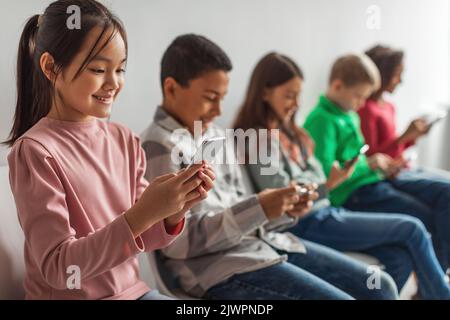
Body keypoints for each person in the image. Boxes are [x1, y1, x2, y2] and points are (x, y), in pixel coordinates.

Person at [141, 34, 399, 300]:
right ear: (171, 89)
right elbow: (179, 243)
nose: (219, 110)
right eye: (210, 97)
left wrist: (282, 209)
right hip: (219, 270)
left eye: (223, 98)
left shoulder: (215, 135)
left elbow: (242, 207)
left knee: (382, 286)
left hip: (262, 245)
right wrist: (261, 208)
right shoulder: (161, 146)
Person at [4, 0, 214, 300]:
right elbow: (58, 267)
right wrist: (143, 213)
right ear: (51, 68)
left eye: (120, 69)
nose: (113, 82)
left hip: (134, 292)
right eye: (99, 69)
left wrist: (174, 209)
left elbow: (144, 234)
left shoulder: (124, 139)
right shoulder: (36, 151)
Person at [233, 52, 450, 299]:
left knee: (398, 256)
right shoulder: (258, 140)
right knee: (412, 227)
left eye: (298, 96)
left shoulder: (289, 133)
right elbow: (286, 193)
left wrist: (319, 182)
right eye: (289, 96)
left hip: (326, 211)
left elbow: (314, 172)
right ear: (264, 93)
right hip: (307, 221)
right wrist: (324, 185)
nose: (296, 104)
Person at [304, 53, 450, 292]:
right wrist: (369, 163)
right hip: (354, 193)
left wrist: (377, 163)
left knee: (440, 199)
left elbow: (357, 156)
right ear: (337, 85)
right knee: (422, 219)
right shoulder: (322, 120)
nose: (362, 103)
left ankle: (427, 289)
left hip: (374, 182)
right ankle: (437, 291)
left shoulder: (348, 114)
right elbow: (328, 174)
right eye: (358, 96)